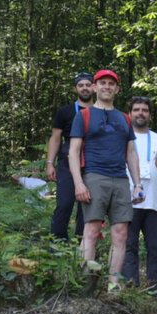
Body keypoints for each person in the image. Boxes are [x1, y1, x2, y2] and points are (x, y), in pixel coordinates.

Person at [69, 69, 143, 291]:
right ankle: (84, 283)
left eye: (111, 84)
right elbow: (73, 151)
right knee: (91, 230)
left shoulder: (124, 118)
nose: (107, 87)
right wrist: (79, 183)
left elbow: (131, 152)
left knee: (121, 233)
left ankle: (113, 284)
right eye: (102, 83)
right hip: (94, 176)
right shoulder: (83, 115)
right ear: (94, 87)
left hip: (120, 179)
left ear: (117, 89)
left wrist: (137, 184)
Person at [122, 95, 157, 293]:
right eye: (137, 109)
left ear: (150, 114)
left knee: (156, 247)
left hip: (155, 201)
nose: (141, 113)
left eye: (145, 110)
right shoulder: (122, 136)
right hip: (127, 201)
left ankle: (154, 288)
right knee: (129, 246)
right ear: (129, 114)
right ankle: (131, 286)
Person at [46, 71, 92, 241]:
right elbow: (56, 138)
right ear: (75, 88)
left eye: (88, 85)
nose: (85, 88)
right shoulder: (65, 112)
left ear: (93, 87)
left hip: (92, 162)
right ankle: (57, 243)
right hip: (67, 162)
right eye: (81, 85)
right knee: (64, 203)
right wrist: (50, 163)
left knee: (87, 205)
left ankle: (84, 243)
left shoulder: (100, 111)